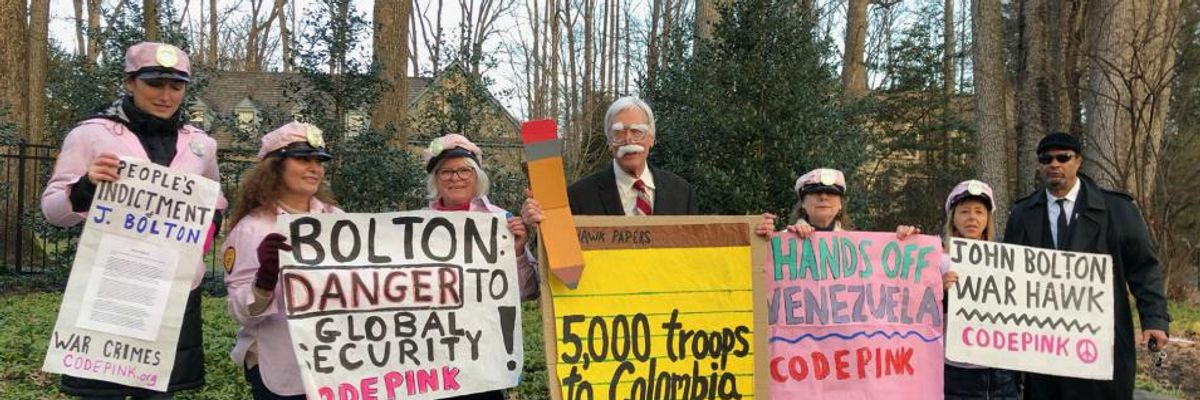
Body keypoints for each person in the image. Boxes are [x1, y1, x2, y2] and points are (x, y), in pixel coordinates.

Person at [41, 42, 224, 400]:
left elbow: (213, 201)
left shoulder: (202, 144)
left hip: (173, 287)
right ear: (130, 82)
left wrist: (205, 237)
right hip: (110, 285)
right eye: (155, 83)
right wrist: (86, 186)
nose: (166, 95)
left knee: (157, 394)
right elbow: (52, 211)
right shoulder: (91, 134)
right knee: (100, 394)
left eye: (176, 85)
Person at [1004, 132, 1170, 400]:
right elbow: (1006, 273)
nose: (1054, 164)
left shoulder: (1117, 209)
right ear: (1039, 165)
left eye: (1063, 157)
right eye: (1046, 159)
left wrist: (1154, 319)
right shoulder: (1023, 214)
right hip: (1042, 345)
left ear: (1078, 161)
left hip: (1101, 341)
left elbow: (1144, 267)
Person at [223, 122, 339, 400]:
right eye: (302, 159)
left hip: (333, 362)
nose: (314, 168)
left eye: (319, 161)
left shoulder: (337, 218)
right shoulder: (251, 229)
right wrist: (263, 283)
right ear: (275, 167)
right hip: (279, 364)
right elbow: (240, 313)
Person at [421, 133, 539, 400]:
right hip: (434, 358)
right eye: (446, 172)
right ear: (435, 180)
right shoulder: (416, 227)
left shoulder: (501, 222)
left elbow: (527, 291)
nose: (456, 178)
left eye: (464, 170)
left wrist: (518, 251)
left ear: (477, 176)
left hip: (485, 358)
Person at [939, 180, 1019, 399]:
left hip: (1000, 370)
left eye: (979, 212)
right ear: (953, 217)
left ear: (987, 218)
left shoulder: (1007, 259)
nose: (972, 218)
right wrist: (941, 293)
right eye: (964, 211)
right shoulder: (938, 258)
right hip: (956, 372)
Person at [565, 96, 698, 216]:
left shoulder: (682, 193)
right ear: (609, 143)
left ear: (651, 138)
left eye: (637, 131)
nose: (628, 140)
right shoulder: (579, 197)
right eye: (618, 133)